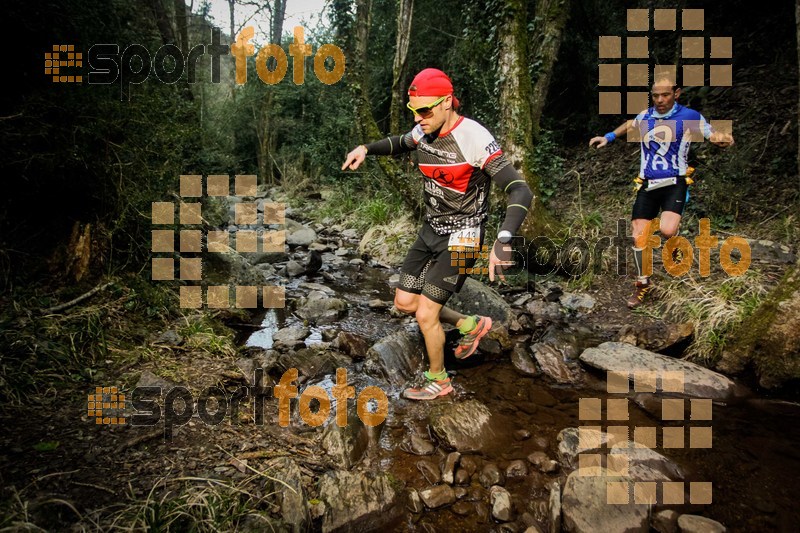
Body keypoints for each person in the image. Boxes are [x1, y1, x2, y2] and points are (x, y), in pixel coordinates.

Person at [342, 68, 533, 400]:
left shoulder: (473, 137)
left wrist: (503, 239)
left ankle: (438, 381)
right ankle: (470, 324)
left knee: (426, 312)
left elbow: (520, 191)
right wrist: (365, 149)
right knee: (404, 303)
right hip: (432, 229)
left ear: (447, 102)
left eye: (425, 110)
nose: (419, 117)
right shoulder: (423, 130)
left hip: (464, 235)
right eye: (414, 111)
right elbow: (401, 142)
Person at [589, 75, 734, 308]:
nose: (659, 100)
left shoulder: (689, 116)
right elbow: (630, 124)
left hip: (674, 182)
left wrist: (722, 137)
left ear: (676, 93)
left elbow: (710, 132)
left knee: (667, 230)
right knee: (638, 235)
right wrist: (608, 137)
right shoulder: (646, 115)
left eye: (665, 94)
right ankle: (642, 284)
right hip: (647, 183)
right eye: (655, 95)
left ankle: (674, 242)